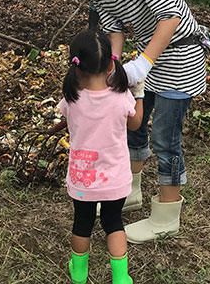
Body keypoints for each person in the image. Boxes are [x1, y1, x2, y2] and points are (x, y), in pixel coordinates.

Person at [42, 0, 207, 244]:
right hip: (150, 53)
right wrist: (112, 67)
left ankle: (166, 215)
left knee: (164, 137)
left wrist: (143, 63)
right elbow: (115, 28)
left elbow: (170, 18)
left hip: (181, 54)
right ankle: (129, 190)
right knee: (133, 123)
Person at [58, 30, 141, 284]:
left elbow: (66, 119)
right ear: (111, 66)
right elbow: (135, 124)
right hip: (114, 179)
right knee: (113, 222)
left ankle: (79, 272)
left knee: (82, 223)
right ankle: (120, 276)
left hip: (83, 179)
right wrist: (139, 96)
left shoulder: (71, 99)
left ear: (76, 67)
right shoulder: (120, 97)